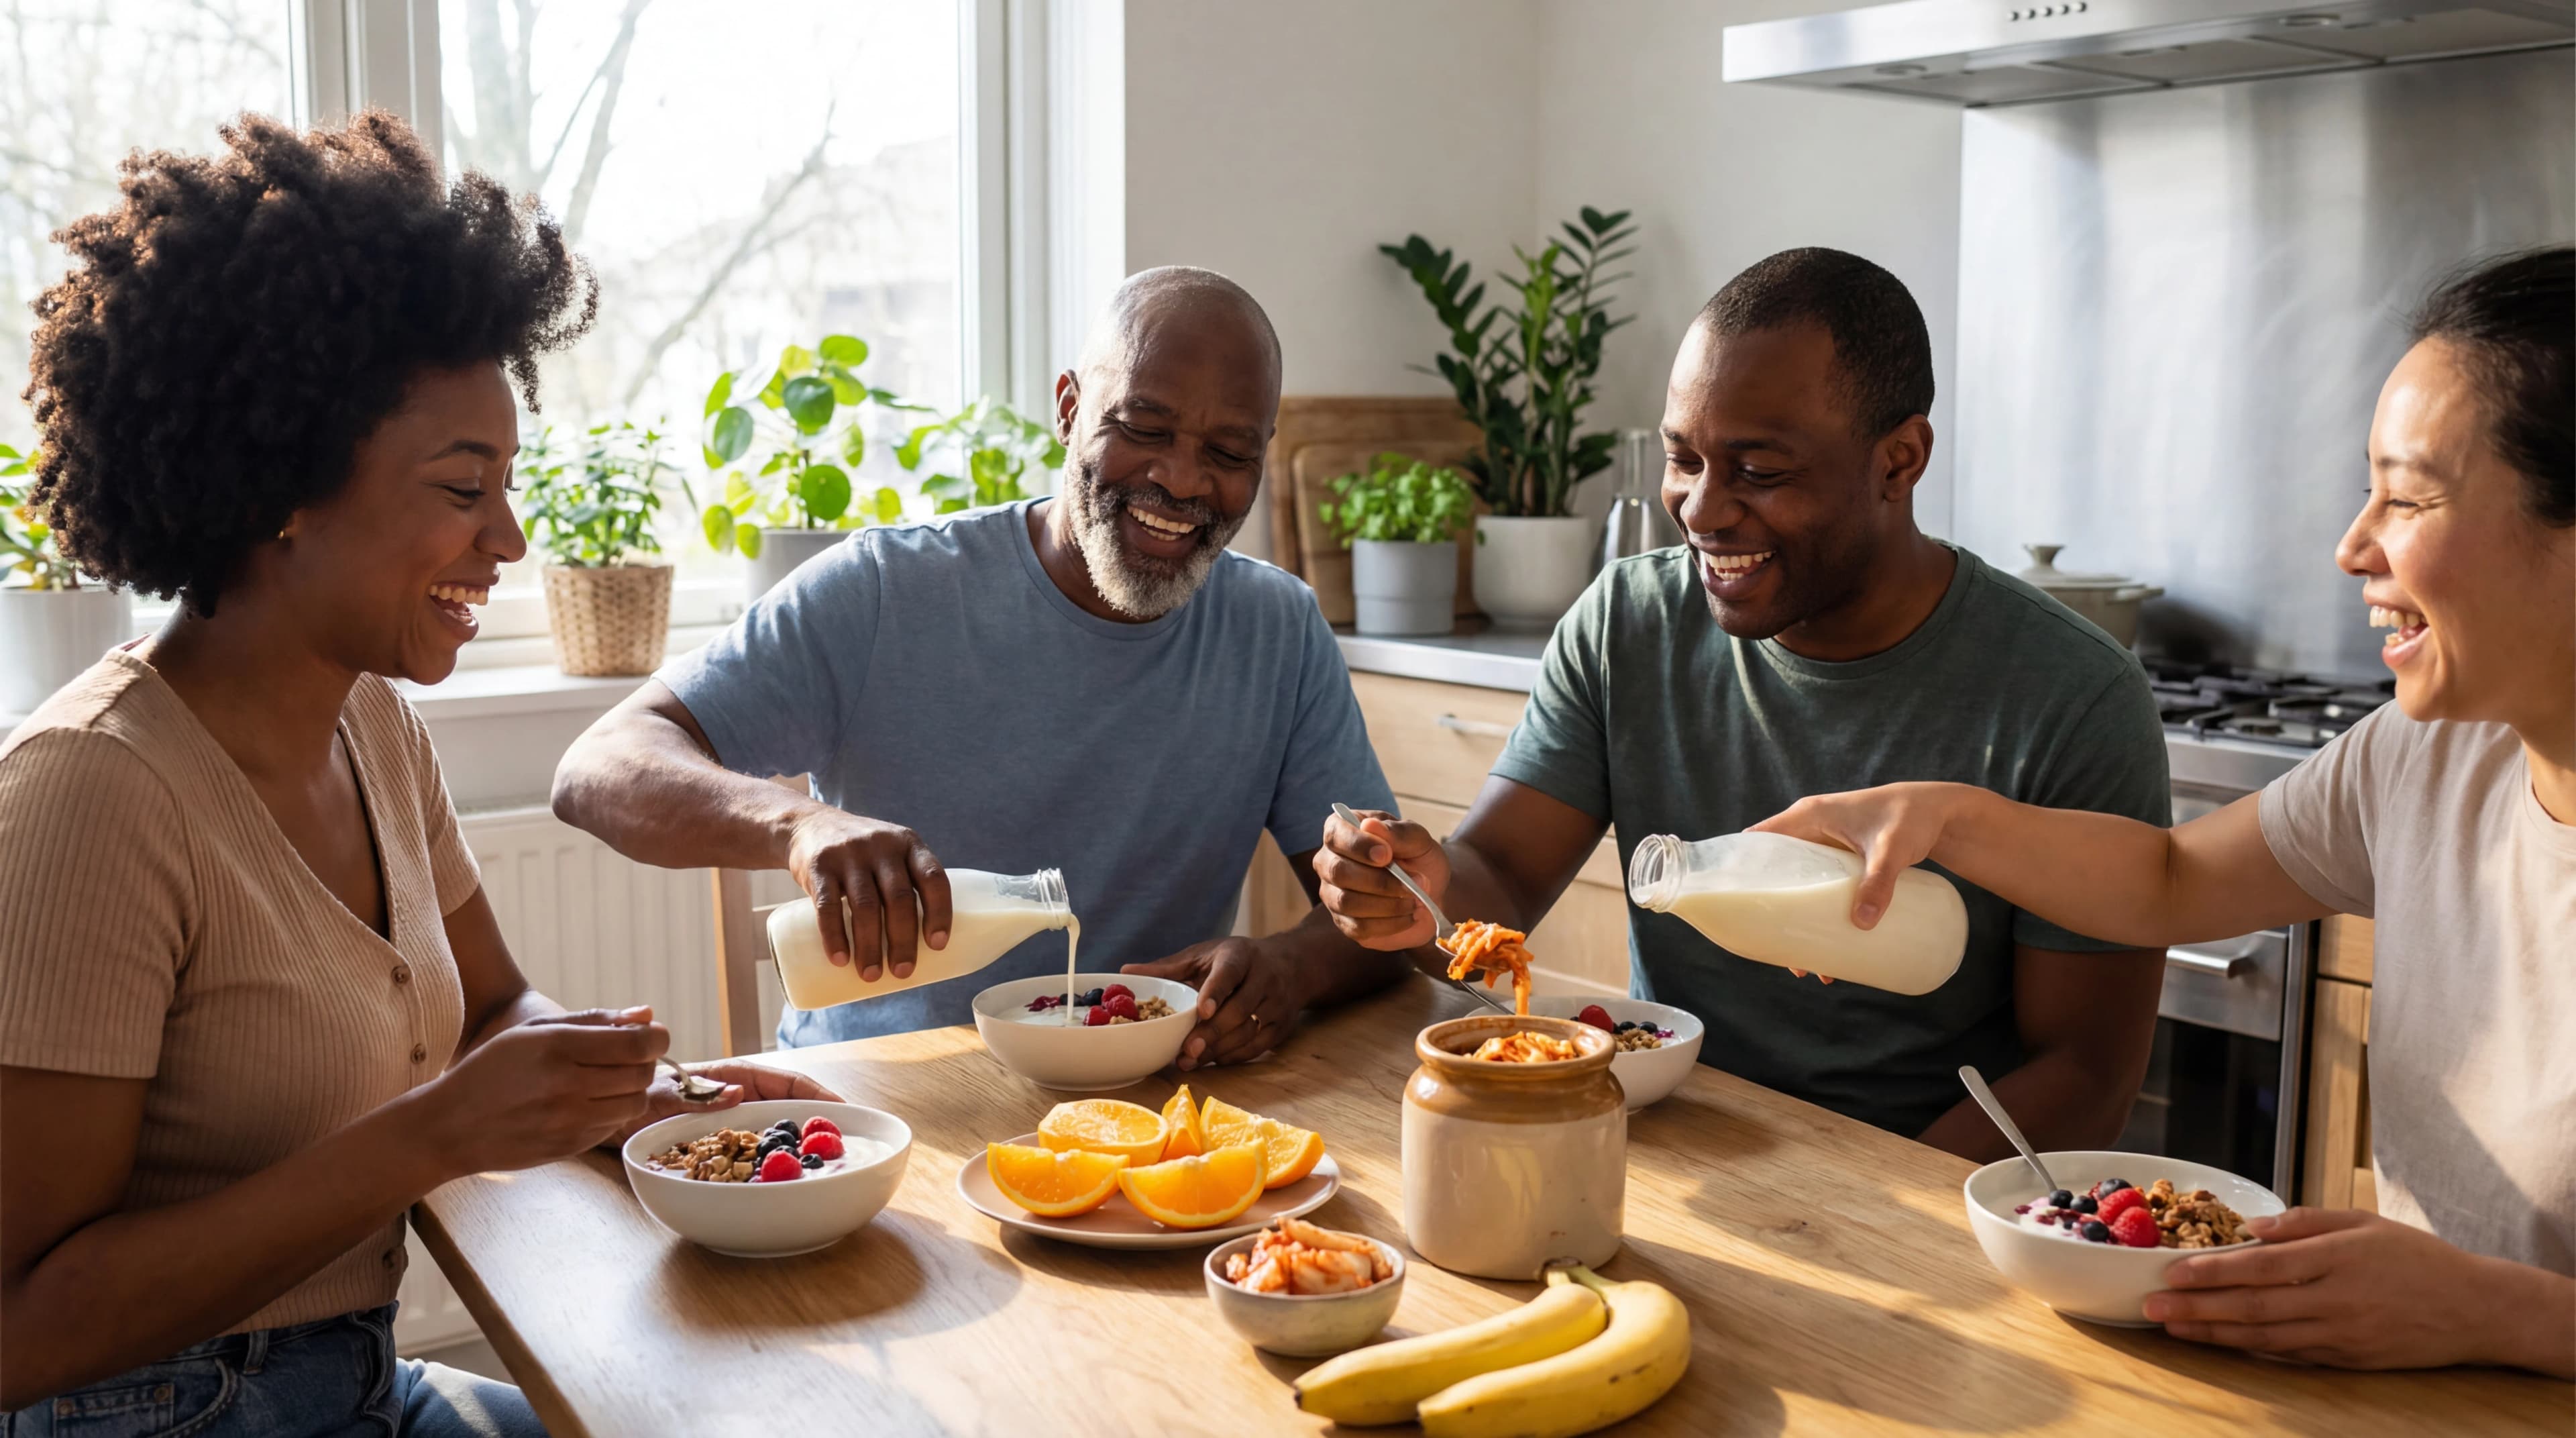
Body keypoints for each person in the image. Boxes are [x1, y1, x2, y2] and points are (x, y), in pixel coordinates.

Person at [0, 113, 833, 1433]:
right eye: (463, 488)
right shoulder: (86, 796)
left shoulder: (371, 724)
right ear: (284, 486)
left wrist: (645, 1100)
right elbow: (21, 1327)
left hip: (357, 1385)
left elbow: (498, 1007)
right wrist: (433, 1134)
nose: (507, 537)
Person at [1752, 247, 2575, 1377]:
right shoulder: (2427, 755)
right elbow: (2173, 880)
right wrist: (1944, 818)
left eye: (2410, 494)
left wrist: (2508, 1314)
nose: (2353, 545)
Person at [1316, 248, 2172, 1160]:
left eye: (1759, 469)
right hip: (1668, 1152)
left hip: (1932, 1187)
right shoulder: (1628, 623)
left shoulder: (2071, 695)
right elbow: (1500, 873)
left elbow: (2085, 1073)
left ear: (1899, 461)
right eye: (1684, 458)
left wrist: (1872, 1208)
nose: (1701, 509)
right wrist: (1425, 892)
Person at [551, 266, 1403, 1066]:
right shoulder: (889, 590)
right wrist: (797, 826)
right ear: (1069, 408)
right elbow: (597, 767)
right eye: (1143, 429)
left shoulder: (1277, 629)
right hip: (883, 1101)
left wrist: (1290, 968)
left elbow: (1393, 916)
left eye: (1228, 453)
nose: (1180, 479)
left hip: (1148, 1111)